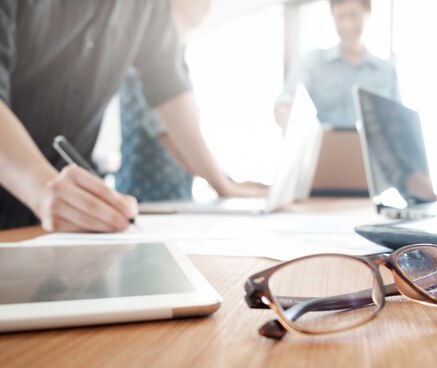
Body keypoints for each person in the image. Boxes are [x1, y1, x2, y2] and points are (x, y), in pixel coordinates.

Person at [0, 1, 264, 232]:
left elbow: (169, 92)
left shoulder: (150, 7)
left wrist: (222, 185)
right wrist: (42, 186)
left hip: (70, 215)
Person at [115, 0, 205, 202]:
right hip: (143, 198)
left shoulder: (178, 61)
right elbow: (167, 131)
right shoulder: (145, 49)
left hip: (177, 194)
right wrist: (224, 185)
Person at [274, 0, 401, 130]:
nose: (347, 24)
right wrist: (294, 127)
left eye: (353, 15)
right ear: (332, 15)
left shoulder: (386, 72)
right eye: (340, 17)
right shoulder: (313, 62)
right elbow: (284, 103)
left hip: (369, 149)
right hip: (323, 148)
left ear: (367, 12)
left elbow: (398, 122)